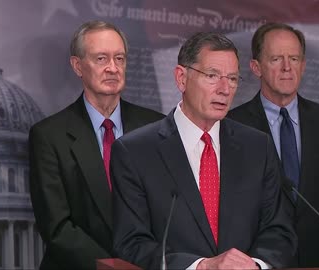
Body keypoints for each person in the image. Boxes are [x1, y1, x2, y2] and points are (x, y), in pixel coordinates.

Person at [111, 32, 297, 270]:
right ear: (181, 78)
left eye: (232, 78)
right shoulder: (135, 152)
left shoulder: (258, 147)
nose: (225, 89)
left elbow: (279, 231)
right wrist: (200, 266)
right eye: (212, 76)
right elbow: (131, 243)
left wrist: (256, 265)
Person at [28, 20, 164, 270]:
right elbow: (57, 227)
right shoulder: (49, 136)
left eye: (120, 59)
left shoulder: (157, 126)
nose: (113, 68)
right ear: (77, 66)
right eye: (102, 59)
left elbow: (167, 210)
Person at [227, 22, 319, 267]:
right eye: (276, 59)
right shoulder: (231, 125)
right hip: (256, 259)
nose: (287, 67)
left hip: (316, 258)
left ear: (303, 66)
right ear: (256, 67)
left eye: (294, 59)